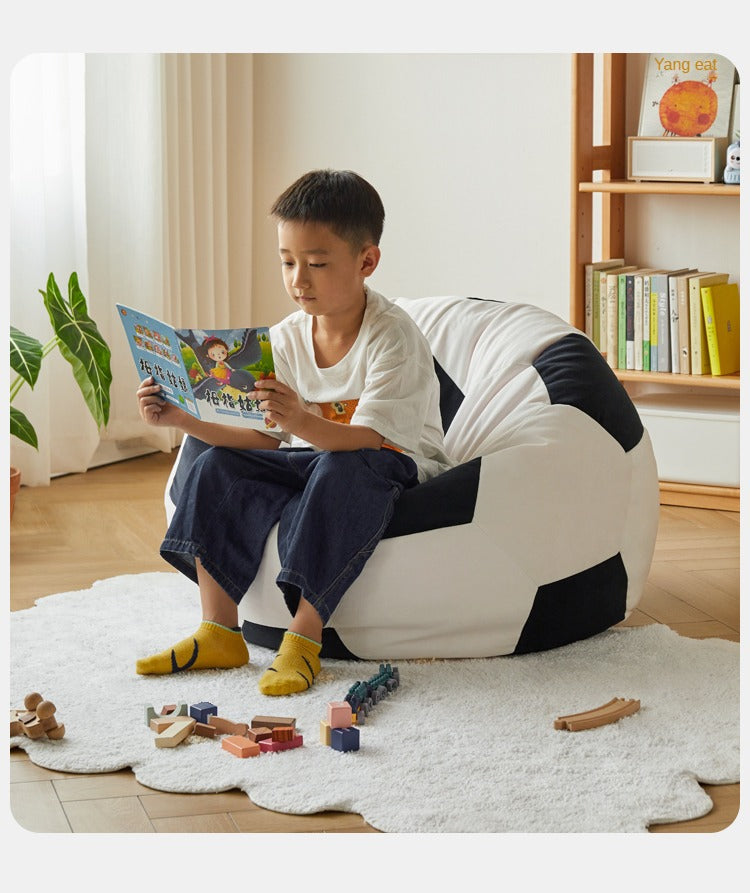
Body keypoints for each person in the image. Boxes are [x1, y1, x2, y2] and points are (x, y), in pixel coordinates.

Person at [135, 169, 452, 695]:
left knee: (340, 464)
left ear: (366, 261)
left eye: (317, 264)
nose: (298, 280)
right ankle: (219, 629)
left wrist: (302, 420)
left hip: (390, 463)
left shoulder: (393, 337)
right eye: (287, 262)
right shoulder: (283, 338)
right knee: (215, 463)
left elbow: (372, 440)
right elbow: (266, 441)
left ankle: (305, 637)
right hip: (313, 458)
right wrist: (181, 420)